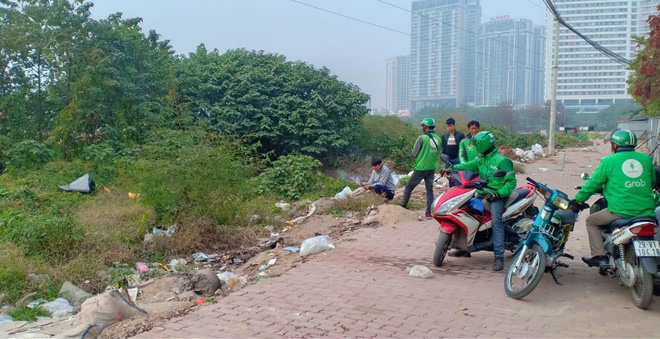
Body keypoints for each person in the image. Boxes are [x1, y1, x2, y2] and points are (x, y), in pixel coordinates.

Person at [573, 129, 656, 267]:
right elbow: (652, 182)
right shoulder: (646, 159)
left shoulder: (609, 161)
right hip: (647, 212)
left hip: (620, 211)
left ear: (615, 145)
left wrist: (578, 200)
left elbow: (593, 184)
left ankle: (599, 256)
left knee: (591, 221)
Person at [443, 131, 516, 271]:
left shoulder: (503, 161)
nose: (475, 148)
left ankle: (499, 256)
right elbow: (469, 165)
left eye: (477, 145)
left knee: (496, 222)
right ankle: (464, 248)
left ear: (482, 145)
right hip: (482, 192)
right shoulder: (480, 158)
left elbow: (511, 183)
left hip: (497, 196)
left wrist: (498, 194)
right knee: (464, 213)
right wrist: (451, 168)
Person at [401, 118, 442, 219]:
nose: (422, 128)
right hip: (431, 168)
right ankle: (429, 213)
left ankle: (403, 207)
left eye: (423, 126)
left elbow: (414, 153)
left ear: (426, 127)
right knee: (429, 190)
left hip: (421, 168)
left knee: (409, 187)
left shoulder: (422, 138)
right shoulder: (439, 139)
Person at [441, 118, 465, 187]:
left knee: (457, 175)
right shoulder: (444, 135)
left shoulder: (460, 135)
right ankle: (451, 188)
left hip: (457, 158)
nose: (449, 128)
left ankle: (457, 189)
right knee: (449, 175)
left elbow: (463, 147)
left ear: (454, 126)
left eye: (450, 126)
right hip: (448, 159)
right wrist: (441, 154)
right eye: (447, 126)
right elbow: (442, 146)